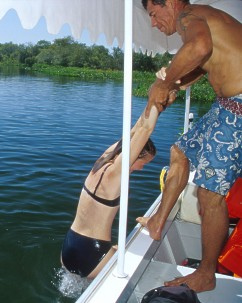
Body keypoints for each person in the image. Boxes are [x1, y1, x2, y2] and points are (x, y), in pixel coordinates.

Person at [137, 0, 242, 293]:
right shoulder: (203, 16)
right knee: (180, 152)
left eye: (154, 15)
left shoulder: (189, 16)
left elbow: (199, 48)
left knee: (210, 193)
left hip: (239, 109)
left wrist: (164, 82)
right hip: (228, 106)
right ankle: (158, 222)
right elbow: (203, 60)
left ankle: (206, 273)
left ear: (170, 3)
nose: (154, 23)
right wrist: (175, 84)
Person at [61, 105, 158, 279]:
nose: (142, 168)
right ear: (133, 156)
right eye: (144, 163)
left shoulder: (100, 164)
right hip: (94, 253)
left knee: (120, 247)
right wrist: (161, 94)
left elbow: (136, 129)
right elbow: (146, 129)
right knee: (148, 267)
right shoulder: (116, 174)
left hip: (69, 247)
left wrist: (153, 101)